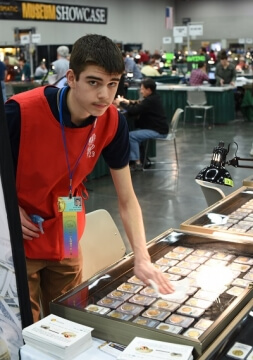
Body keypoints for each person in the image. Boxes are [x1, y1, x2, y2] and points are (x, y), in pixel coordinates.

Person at [5, 34, 174, 322]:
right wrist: (6, 208)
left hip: (69, 220)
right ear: (71, 78)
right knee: (29, 327)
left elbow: (127, 198)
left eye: (113, 84)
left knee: (70, 316)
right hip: (22, 232)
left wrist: (142, 257)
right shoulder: (19, 112)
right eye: (94, 82)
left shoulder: (113, 121)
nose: (105, 96)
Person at [114, 78, 169, 171]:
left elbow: (135, 109)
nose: (141, 91)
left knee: (131, 136)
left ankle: (137, 162)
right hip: (158, 128)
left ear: (148, 90)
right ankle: (140, 159)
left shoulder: (150, 100)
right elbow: (139, 104)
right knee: (135, 133)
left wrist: (121, 103)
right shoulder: (154, 97)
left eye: (142, 89)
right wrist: (128, 102)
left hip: (159, 131)